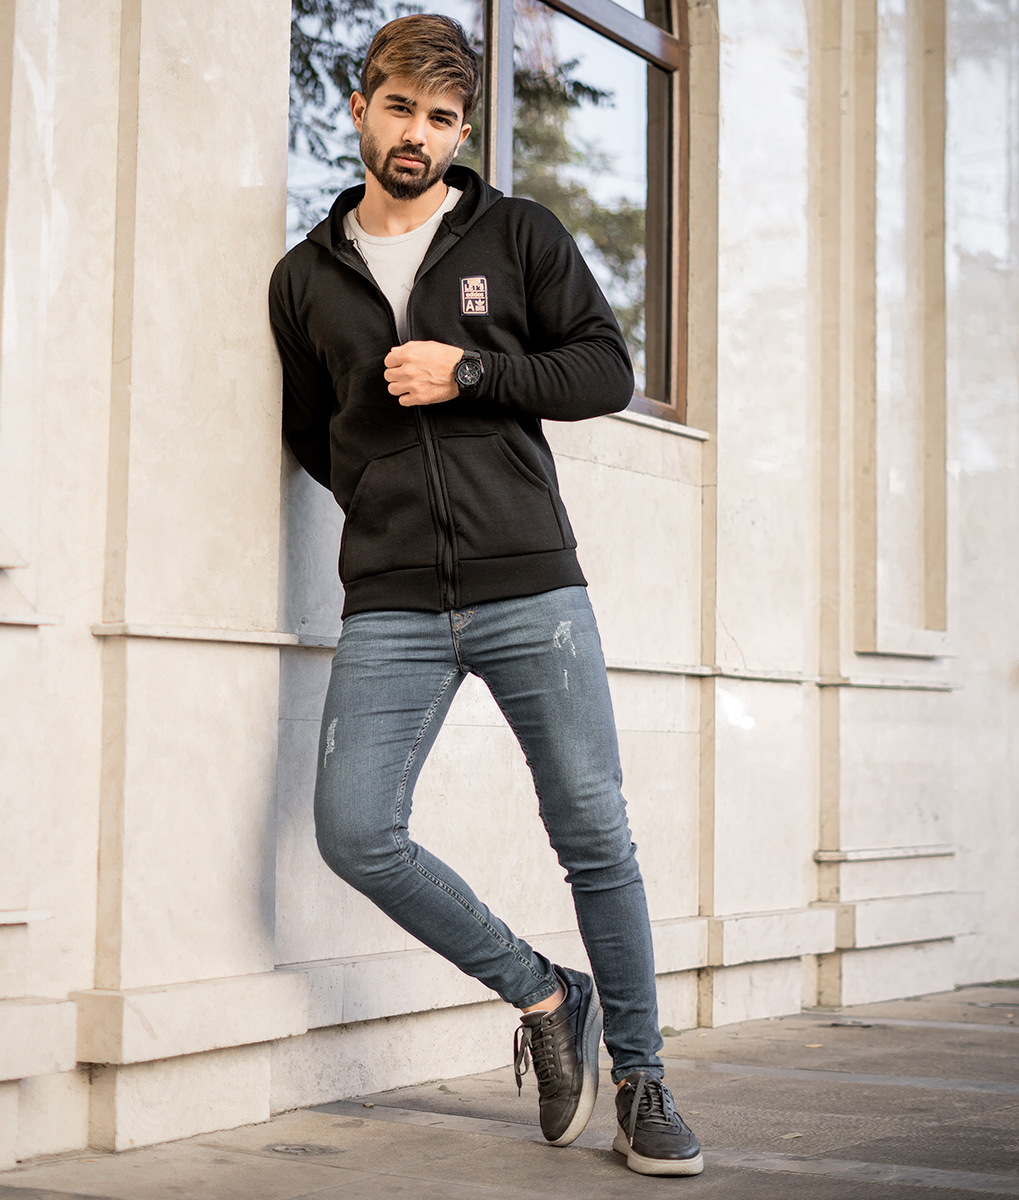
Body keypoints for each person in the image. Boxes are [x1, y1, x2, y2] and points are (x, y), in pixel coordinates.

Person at [268, 12, 702, 1178]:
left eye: (443, 117)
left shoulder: (517, 235)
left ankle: (644, 1080)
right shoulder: (305, 278)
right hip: (391, 598)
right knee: (355, 832)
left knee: (593, 833)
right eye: (400, 108)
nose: (419, 134)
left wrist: (471, 371)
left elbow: (603, 368)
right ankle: (547, 993)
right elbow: (313, 430)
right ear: (361, 109)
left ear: (462, 132)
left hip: (530, 586)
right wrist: (384, 500)